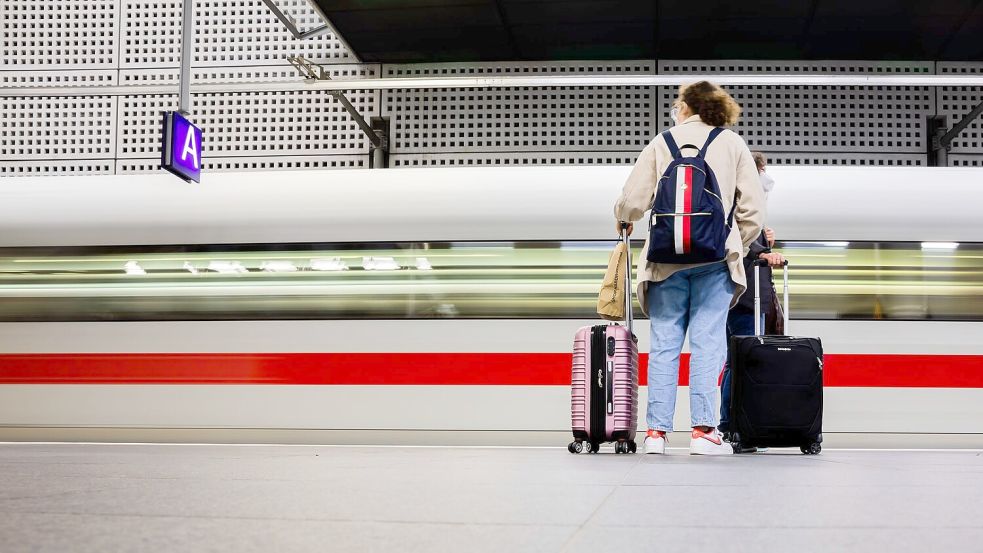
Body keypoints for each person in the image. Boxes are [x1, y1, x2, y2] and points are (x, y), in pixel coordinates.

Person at [614, 81, 765, 455]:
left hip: (665, 261)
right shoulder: (732, 144)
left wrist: (625, 219)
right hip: (716, 262)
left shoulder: (661, 142)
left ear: (685, 107)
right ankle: (703, 433)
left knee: (664, 344)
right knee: (707, 344)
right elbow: (753, 213)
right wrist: (734, 245)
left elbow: (631, 202)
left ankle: (656, 436)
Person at [719, 151, 785, 442]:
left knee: (736, 360)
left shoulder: (736, 207)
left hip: (738, 296)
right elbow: (739, 249)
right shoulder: (741, 207)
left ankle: (732, 424)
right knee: (744, 361)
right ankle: (735, 426)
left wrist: (765, 243)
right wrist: (764, 253)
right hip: (746, 298)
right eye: (762, 172)